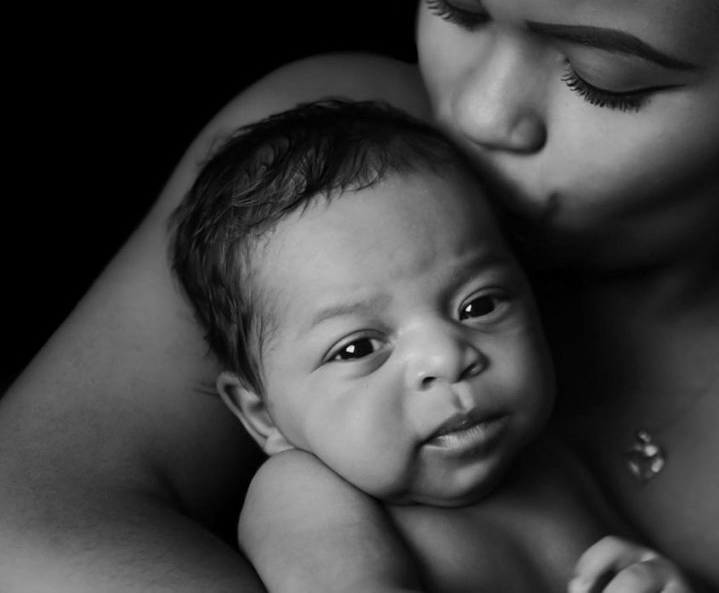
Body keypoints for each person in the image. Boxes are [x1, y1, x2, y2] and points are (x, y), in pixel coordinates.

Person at [2, 0, 719, 591]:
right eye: (453, 1)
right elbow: (24, 514)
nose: (481, 113)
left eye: (603, 81)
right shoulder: (307, 176)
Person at [168, 97, 686, 592]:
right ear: (264, 416)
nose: (446, 357)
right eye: (357, 348)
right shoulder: (305, 492)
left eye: (479, 305)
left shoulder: (555, 465)